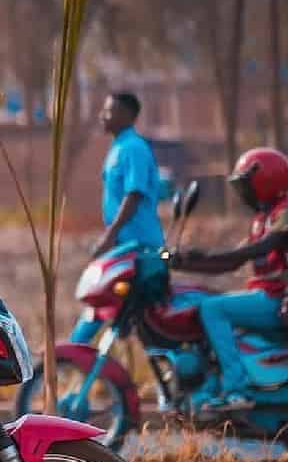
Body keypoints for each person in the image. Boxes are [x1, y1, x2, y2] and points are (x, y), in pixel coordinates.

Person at [171, 147, 288, 413]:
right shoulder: (262, 219)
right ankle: (211, 385)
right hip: (266, 296)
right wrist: (189, 261)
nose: (242, 192)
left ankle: (237, 388)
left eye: (246, 185)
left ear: (265, 180)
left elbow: (267, 245)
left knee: (212, 308)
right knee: (201, 301)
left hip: (277, 298)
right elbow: (232, 261)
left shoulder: (284, 211)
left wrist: (210, 255)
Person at [74, 91, 166, 342]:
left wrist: (110, 235)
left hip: (139, 246)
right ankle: (74, 354)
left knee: (104, 299)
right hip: (124, 243)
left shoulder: (133, 148)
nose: (102, 116)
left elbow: (134, 194)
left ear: (126, 115)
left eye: (109, 111)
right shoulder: (119, 147)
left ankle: (73, 351)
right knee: (114, 307)